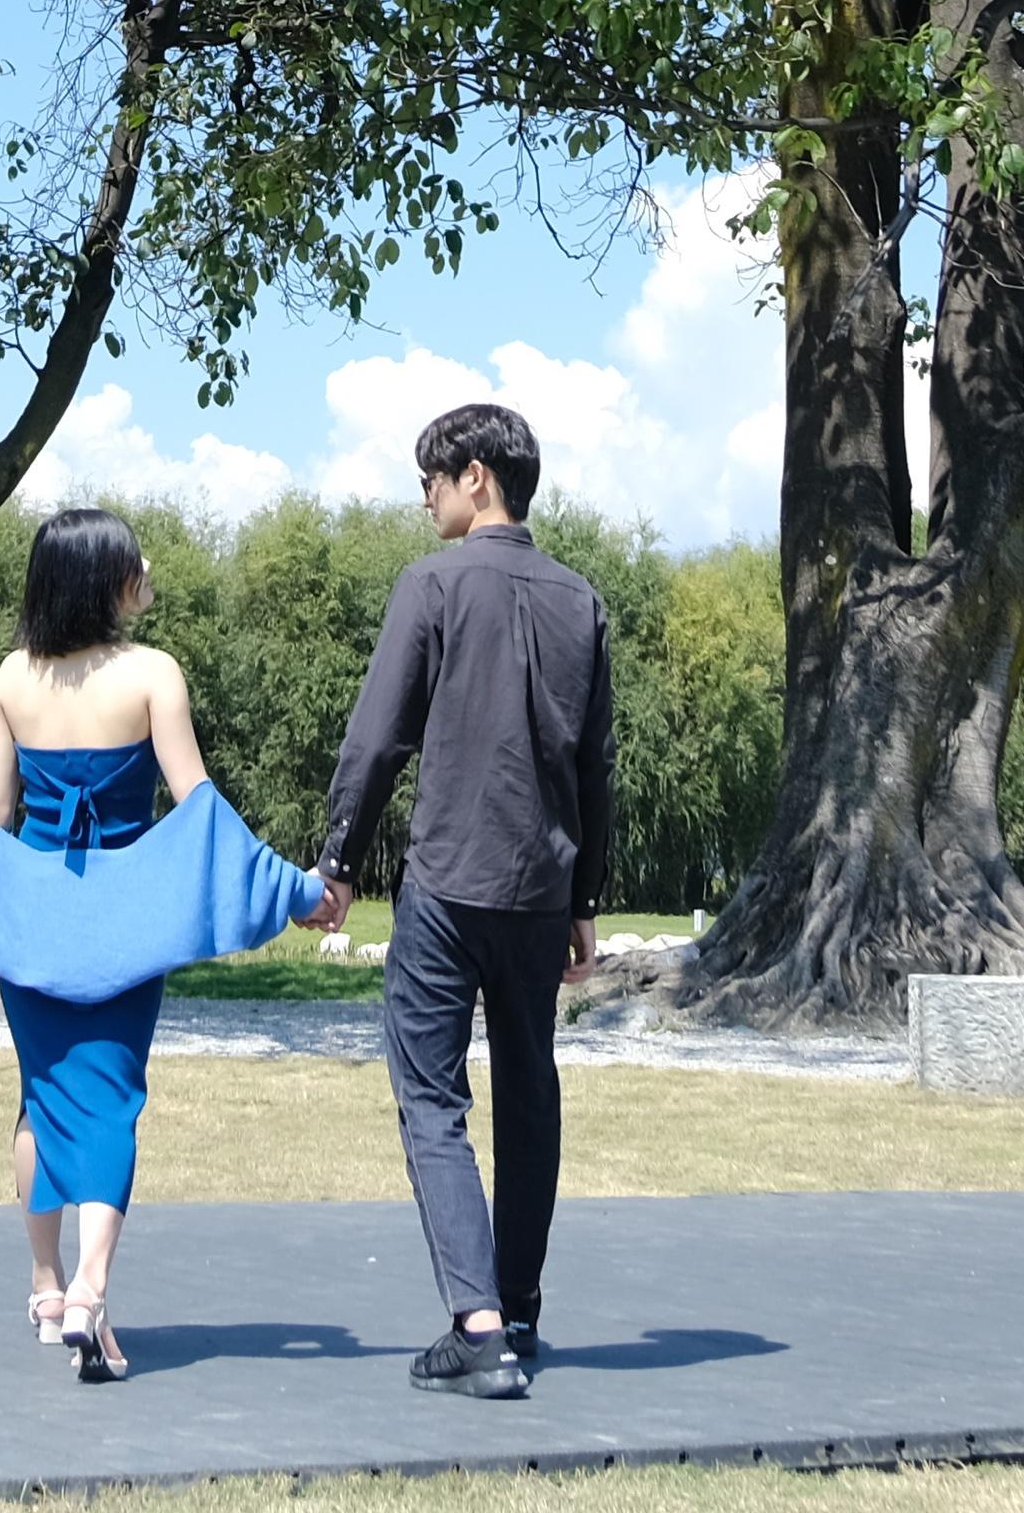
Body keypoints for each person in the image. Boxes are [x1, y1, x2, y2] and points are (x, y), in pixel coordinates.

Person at [319, 397, 615, 1402]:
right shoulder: (580, 598)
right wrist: (587, 894)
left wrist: (339, 857)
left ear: (476, 476)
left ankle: (477, 1324)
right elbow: (597, 764)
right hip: (540, 890)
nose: (426, 499)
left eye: (432, 480)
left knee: (432, 1094)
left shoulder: (433, 584)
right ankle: (520, 1311)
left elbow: (376, 738)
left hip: (447, 883)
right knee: (530, 1093)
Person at [0, 504, 217, 1384]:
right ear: (104, 580)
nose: (144, 568)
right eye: (131, 560)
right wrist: (275, 886)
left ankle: (43, 1288)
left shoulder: (11, 678)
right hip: (122, 918)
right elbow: (195, 803)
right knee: (110, 1098)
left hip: (33, 916)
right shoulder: (154, 674)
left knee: (41, 1097)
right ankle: (90, 1287)